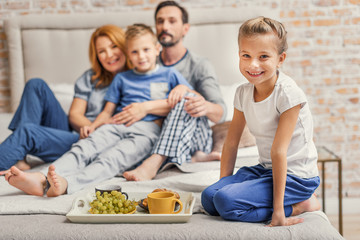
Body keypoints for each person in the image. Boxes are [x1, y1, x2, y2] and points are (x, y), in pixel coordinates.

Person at [4, 23, 192, 197]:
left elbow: (191, 99)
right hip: (110, 126)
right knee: (82, 149)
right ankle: (40, 178)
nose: (141, 56)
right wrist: (95, 127)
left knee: (110, 159)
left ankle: (67, 183)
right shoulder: (119, 79)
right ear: (129, 52)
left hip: (146, 130)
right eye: (135, 51)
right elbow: (104, 112)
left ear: (157, 49)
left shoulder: (170, 73)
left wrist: (182, 89)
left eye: (145, 50)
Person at [201, 17, 321, 227]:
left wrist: (278, 212)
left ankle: (301, 204)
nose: (252, 64)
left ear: (280, 59)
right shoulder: (242, 93)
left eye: (263, 56)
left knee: (225, 202)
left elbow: (279, 152)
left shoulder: (288, 95)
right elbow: (231, 143)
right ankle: (226, 197)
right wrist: (222, 186)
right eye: (245, 56)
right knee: (210, 198)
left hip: (296, 177)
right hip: (266, 169)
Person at [0, 25, 130, 173]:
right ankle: (20, 157)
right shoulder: (90, 78)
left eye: (114, 46)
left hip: (94, 142)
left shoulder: (135, 80)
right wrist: (90, 127)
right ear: (96, 56)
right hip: (79, 132)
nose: (109, 54)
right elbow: (75, 115)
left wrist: (97, 132)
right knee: (35, 85)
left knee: (28, 132)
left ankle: (18, 146)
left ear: (124, 45)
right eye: (102, 51)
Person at [123, 0, 227, 181]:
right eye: (160, 21)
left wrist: (198, 100)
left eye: (172, 21)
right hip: (156, 133)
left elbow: (221, 113)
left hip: (195, 135)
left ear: (185, 28)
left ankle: (155, 162)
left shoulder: (200, 66)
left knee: (185, 95)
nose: (165, 26)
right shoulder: (145, 61)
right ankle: (189, 157)